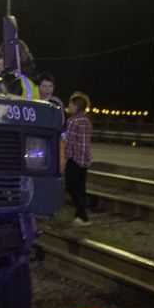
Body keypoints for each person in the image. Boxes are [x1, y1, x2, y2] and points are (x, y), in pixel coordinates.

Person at [64, 92, 93, 226]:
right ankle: (79, 215)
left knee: (70, 186)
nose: (68, 106)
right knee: (81, 187)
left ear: (76, 106)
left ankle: (83, 215)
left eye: (70, 104)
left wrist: (64, 159)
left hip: (74, 159)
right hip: (84, 160)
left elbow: (69, 143)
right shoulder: (86, 121)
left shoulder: (73, 121)